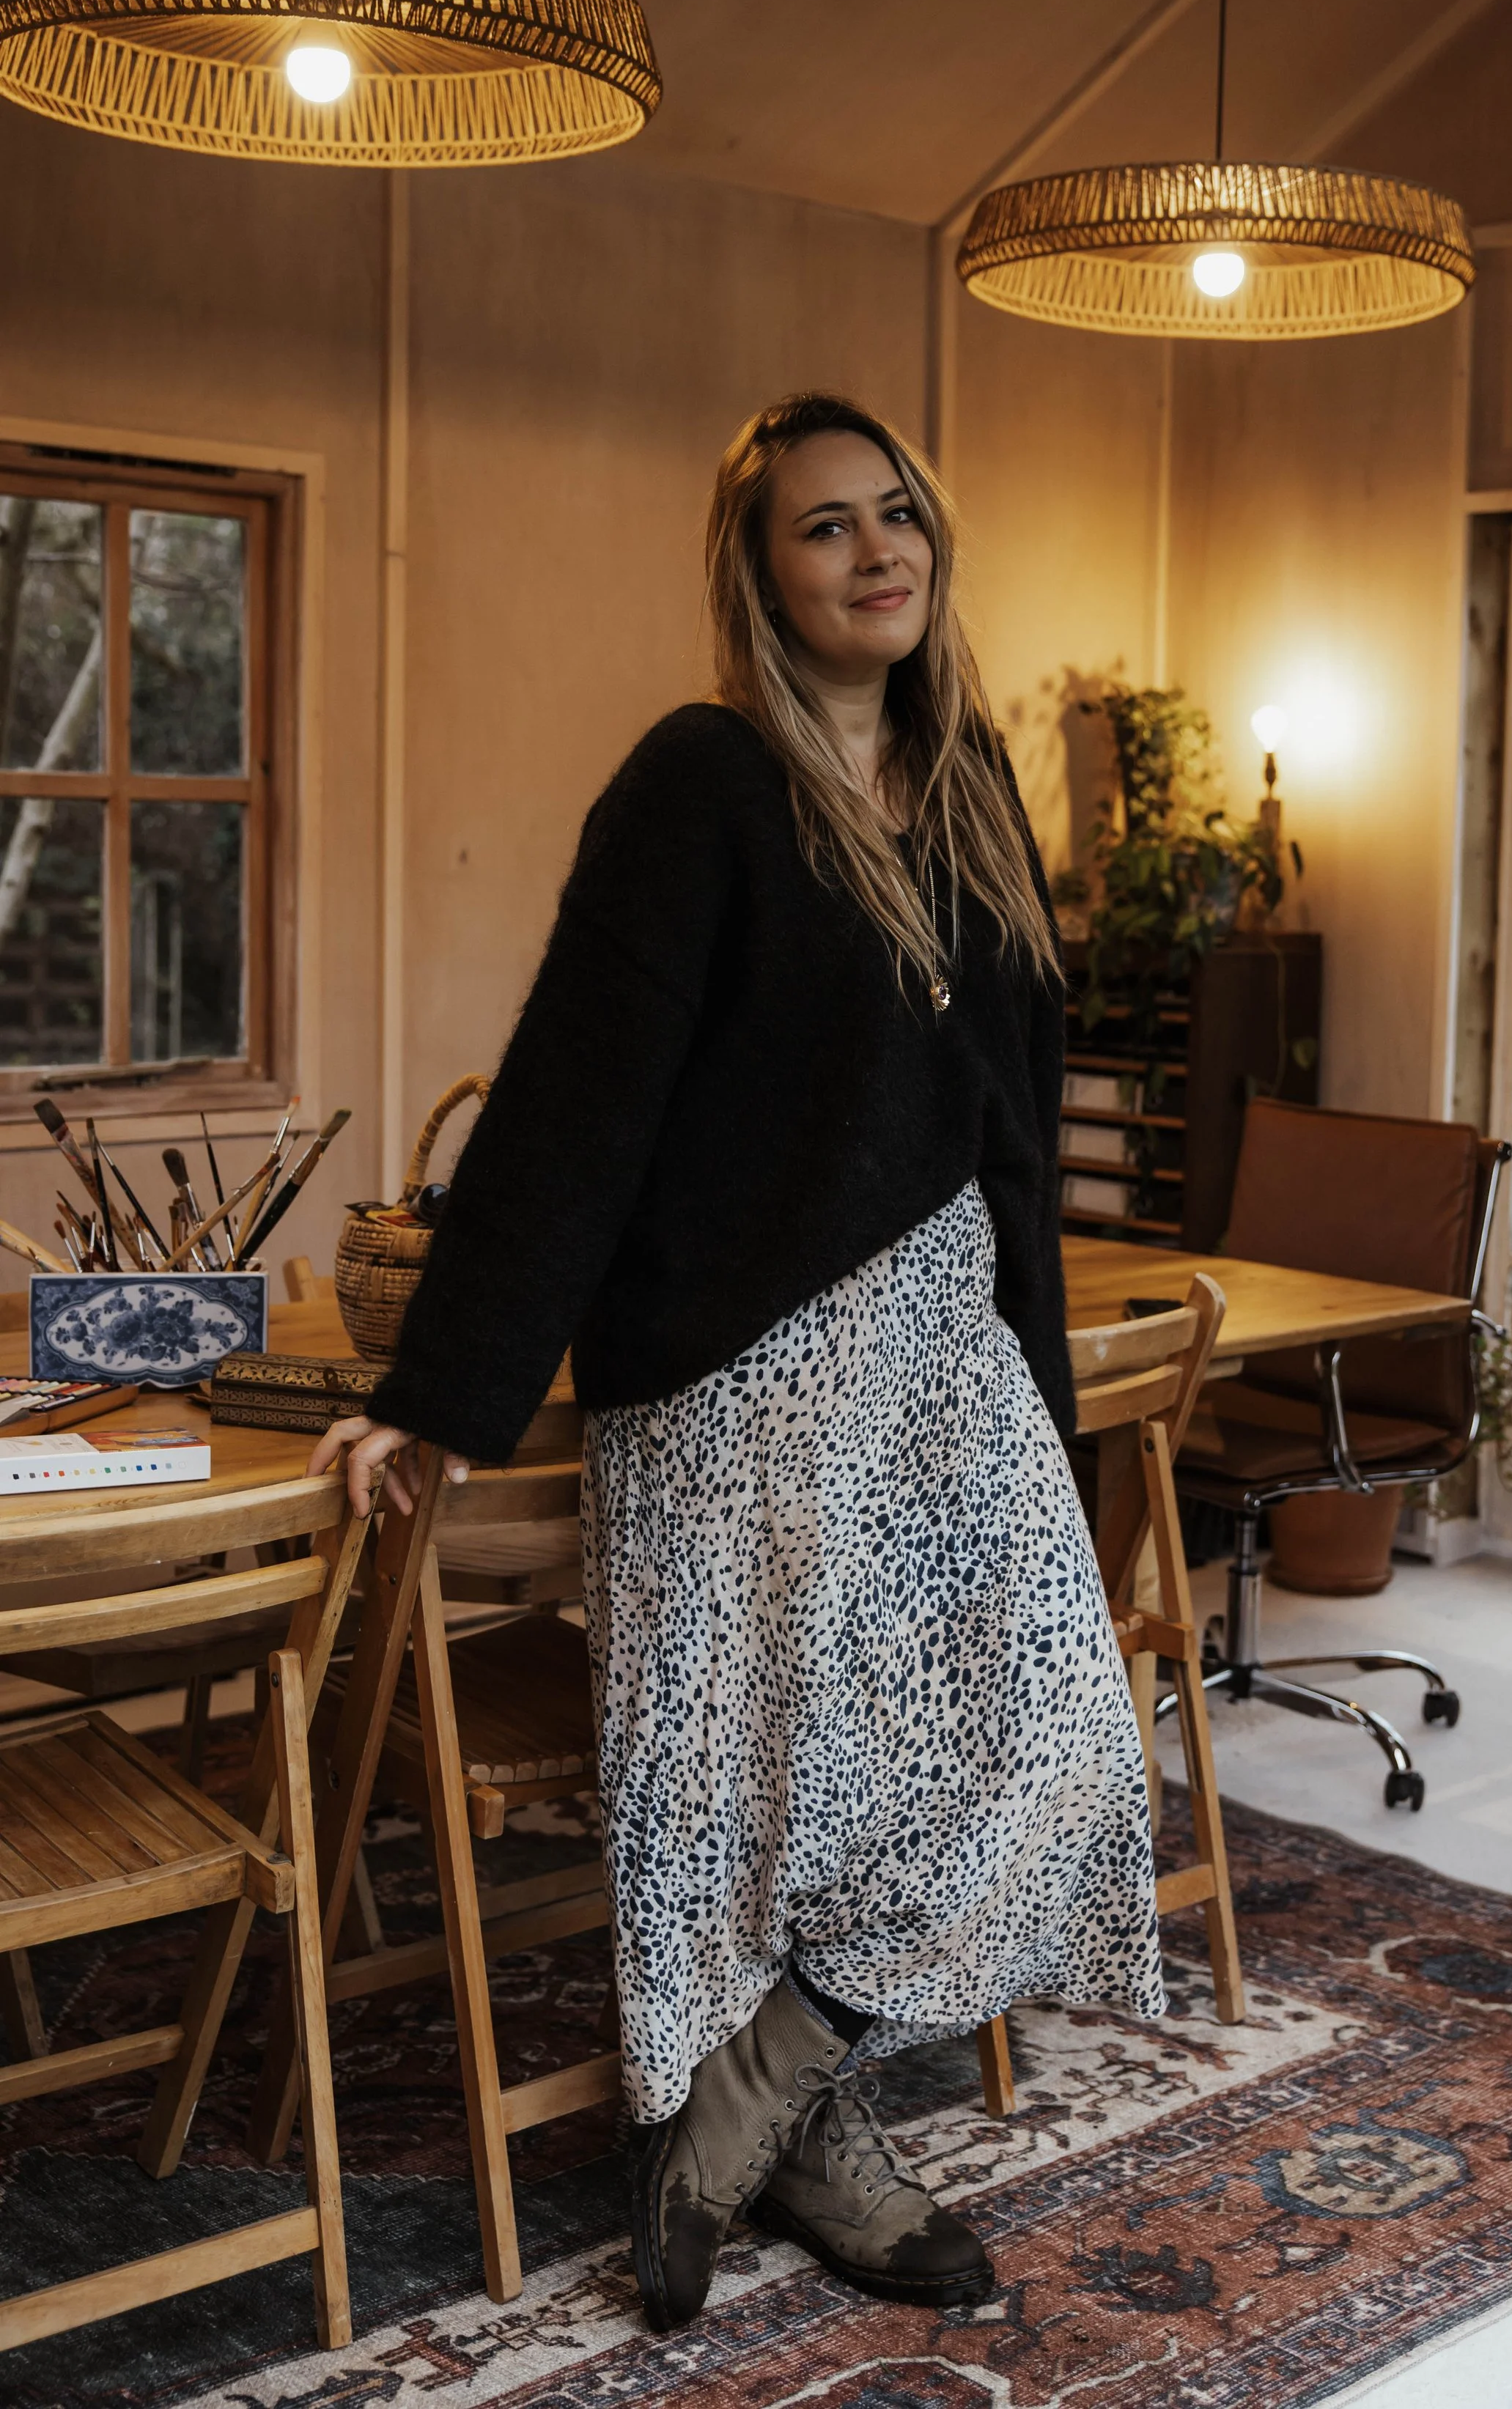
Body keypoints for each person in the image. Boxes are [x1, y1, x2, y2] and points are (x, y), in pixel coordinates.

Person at [314, 389, 1163, 2333]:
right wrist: (442, 1390)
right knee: (762, 1796)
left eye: (897, 513)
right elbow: (571, 1099)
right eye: (823, 525)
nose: (876, 550)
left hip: (943, 1359)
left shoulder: (971, 785)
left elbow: (1017, 1131)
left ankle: (741, 2097)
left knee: (1057, 1750)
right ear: (758, 574)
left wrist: (1038, 1394)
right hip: (737, 1378)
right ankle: (811, 2142)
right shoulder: (701, 782)